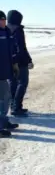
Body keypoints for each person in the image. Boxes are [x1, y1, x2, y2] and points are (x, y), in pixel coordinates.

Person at [7, 10, 34, 117]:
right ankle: (16, 108)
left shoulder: (5, 30)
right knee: (22, 83)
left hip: (10, 62)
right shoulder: (18, 31)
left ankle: (14, 106)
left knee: (13, 83)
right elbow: (22, 48)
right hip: (19, 62)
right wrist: (28, 61)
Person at [0, 10, 19, 138]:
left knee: (5, 98)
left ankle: (3, 121)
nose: (3, 22)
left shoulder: (6, 32)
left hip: (4, 71)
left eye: (4, 20)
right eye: (1, 20)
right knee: (1, 99)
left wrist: (14, 64)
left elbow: (11, 50)